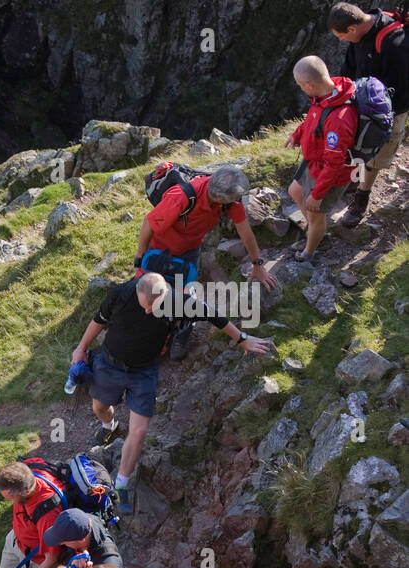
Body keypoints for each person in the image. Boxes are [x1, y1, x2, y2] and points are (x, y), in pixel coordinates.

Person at [70, 273, 270, 513]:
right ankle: (110, 425)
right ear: (137, 293)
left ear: (165, 296)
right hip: (110, 362)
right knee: (99, 407)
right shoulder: (121, 293)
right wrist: (80, 349)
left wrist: (243, 339)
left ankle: (121, 484)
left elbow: (214, 315)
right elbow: (99, 320)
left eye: (152, 308)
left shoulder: (179, 302)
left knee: (140, 430)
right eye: (144, 306)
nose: (147, 312)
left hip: (144, 372)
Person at [136, 165, 278, 360]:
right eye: (237, 199)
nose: (239, 202)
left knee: (184, 297)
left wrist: (258, 264)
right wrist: (139, 259)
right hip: (160, 250)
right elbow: (149, 223)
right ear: (220, 198)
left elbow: (245, 231)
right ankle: (152, 338)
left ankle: (180, 329)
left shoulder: (229, 201)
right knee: (152, 297)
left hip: (190, 250)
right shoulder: (181, 197)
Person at [329, 3, 409, 225]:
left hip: (391, 109)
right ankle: (356, 178)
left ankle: (362, 197)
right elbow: (348, 70)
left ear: (352, 28)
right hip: (364, 103)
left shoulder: (394, 43)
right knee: (360, 146)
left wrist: (376, 116)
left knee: (376, 153)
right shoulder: (360, 36)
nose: (341, 40)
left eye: (341, 36)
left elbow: (400, 89)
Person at [287, 56, 360, 262]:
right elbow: (314, 117)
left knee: (314, 210)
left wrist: (317, 195)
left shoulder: (339, 119)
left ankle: (309, 252)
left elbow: (334, 164)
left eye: (301, 85)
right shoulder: (327, 94)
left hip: (329, 173)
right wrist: (298, 133)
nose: (301, 89)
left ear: (309, 85)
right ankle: (314, 228)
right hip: (315, 162)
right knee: (295, 191)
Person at [0, 462, 65, 568]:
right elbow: (12, 481)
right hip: (16, 539)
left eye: (10, 498)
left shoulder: (48, 515)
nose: (9, 501)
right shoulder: (28, 470)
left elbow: (51, 560)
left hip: (37, 558)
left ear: (26, 492)